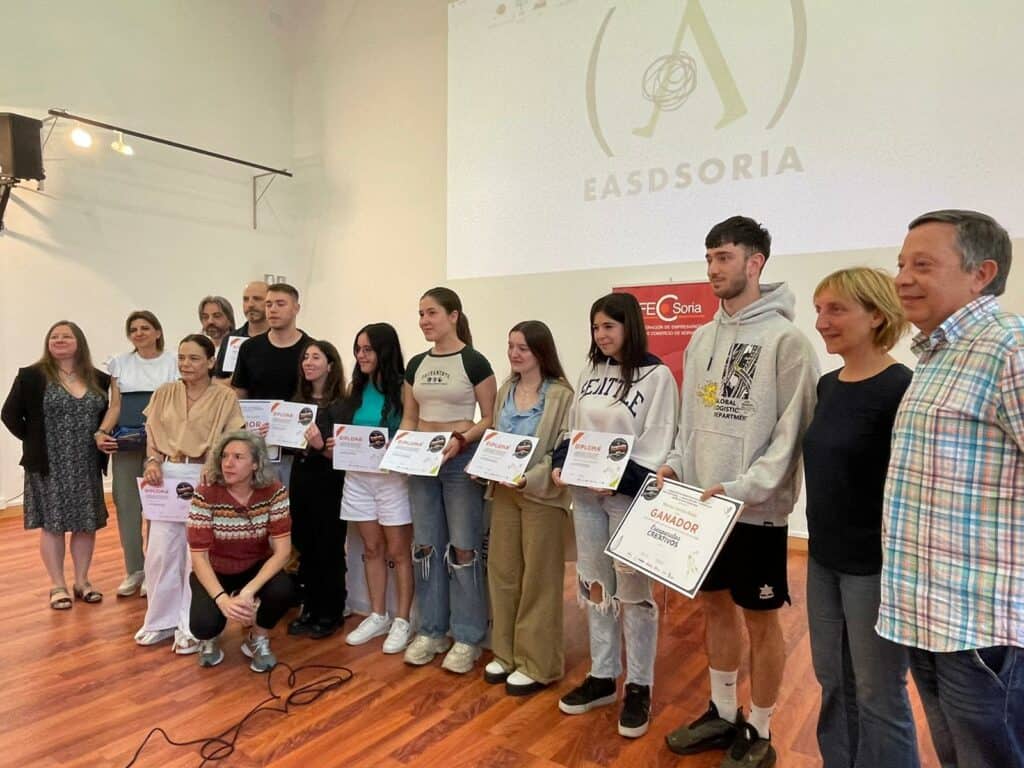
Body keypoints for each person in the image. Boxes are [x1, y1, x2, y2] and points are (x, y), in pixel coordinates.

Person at [659, 216, 818, 768]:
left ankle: (761, 728)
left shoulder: (787, 341)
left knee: (760, 619)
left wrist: (744, 488)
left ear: (755, 263)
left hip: (755, 511)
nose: (712, 269)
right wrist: (676, 464)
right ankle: (723, 712)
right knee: (715, 608)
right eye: (708, 258)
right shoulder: (702, 337)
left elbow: (791, 434)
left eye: (723, 257)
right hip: (703, 508)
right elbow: (690, 422)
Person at [878, 210, 1023, 768]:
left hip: (983, 627)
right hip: (930, 615)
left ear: (981, 273)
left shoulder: (1008, 348)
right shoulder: (938, 354)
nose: (902, 279)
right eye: (901, 264)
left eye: (923, 265)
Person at [802, 268, 918, 768]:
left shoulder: (902, 388)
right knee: (832, 680)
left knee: (879, 694)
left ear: (876, 315)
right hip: (822, 560)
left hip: (876, 567)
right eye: (819, 310)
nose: (822, 322)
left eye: (836, 309)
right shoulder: (828, 386)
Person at [552, 293, 679, 738]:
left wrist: (620, 480)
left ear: (630, 326)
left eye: (609, 326)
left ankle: (639, 686)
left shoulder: (657, 376)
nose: (601, 335)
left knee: (633, 592)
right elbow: (574, 428)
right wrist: (561, 461)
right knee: (595, 585)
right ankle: (603, 675)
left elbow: (660, 439)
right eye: (595, 327)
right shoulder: (591, 371)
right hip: (586, 496)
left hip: (627, 497)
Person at [401, 287, 496, 673]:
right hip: (422, 463)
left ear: (453, 316)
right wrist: (401, 446)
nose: (424, 320)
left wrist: (463, 439)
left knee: (463, 547)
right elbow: (410, 416)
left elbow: (489, 417)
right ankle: (432, 630)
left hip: (460, 461)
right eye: (421, 313)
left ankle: (468, 636)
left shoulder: (474, 361)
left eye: (432, 313)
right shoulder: (415, 364)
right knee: (425, 546)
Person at [135, 334, 244, 652]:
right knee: (160, 553)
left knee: (196, 556)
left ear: (210, 361)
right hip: (166, 476)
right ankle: (159, 621)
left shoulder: (225, 397)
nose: (186, 364)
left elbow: (232, 439)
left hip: (205, 476)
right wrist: (152, 461)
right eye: (181, 357)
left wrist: (215, 466)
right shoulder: (164, 392)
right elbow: (152, 436)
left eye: (194, 358)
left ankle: (190, 626)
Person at [483, 320, 573, 695]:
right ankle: (505, 654)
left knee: (539, 578)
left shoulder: (562, 395)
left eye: (522, 347)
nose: (514, 354)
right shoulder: (506, 390)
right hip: (504, 493)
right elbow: (494, 438)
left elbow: (563, 450)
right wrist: (485, 466)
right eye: (510, 346)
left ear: (540, 351)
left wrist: (529, 479)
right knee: (503, 573)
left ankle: (537, 663)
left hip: (541, 496)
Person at [2, 321, 111, 610]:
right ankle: (58, 585)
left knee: (85, 525)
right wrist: (33, 440)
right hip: (48, 464)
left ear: (80, 342)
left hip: (86, 463)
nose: (59, 340)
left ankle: (82, 581)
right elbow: (9, 415)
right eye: (54, 337)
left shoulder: (99, 379)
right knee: (53, 526)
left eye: (66, 336)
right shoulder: (31, 376)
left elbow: (107, 417)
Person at [188, 431, 294, 672]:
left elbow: (283, 552)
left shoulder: (274, 491)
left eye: (238, 457)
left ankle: (258, 637)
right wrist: (223, 600)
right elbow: (198, 557)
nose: (228, 463)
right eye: (224, 456)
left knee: (284, 590)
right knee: (203, 626)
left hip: (255, 565)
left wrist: (248, 593)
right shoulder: (206, 492)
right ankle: (210, 638)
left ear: (256, 464)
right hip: (216, 568)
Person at [339, 323, 415, 654]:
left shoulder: (403, 388)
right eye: (358, 349)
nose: (361, 355)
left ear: (384, 350)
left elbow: (411, 430)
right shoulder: (355, 387)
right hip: (357, 479)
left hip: (392, 479)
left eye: (368, 349)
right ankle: (378, 614)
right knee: (371, 548)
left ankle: (403, 620)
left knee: (398, 552)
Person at [94, 311, 179, 597]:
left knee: (157, 507)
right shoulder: (120, 363)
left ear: (158, 332)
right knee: (127, 506)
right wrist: (101, 432)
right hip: (126, 444)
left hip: (162, 443)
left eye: (145, 328)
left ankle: (155, 571)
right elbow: (115, 406)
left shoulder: (173, 362)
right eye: (133, 329)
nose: (139, 333)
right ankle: (134, 569)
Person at [284, 340, 348, 639]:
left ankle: (331, 611)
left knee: (328, 546)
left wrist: (321, 446)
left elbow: (342, 452)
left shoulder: (342, 405)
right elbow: (289, 443)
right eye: (305, 358)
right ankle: (309, 607)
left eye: (316, 357)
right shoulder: (297, 402)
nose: (308, 362)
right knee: (304, 543)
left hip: (329, 481)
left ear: (330, 365)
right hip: (301, 477)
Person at [231, 282, 310, 484]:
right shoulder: (249, 348)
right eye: (268, 304)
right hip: (258, 449)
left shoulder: (310, 349)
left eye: (280, 304)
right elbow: (240, 396)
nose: (272, 309)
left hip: (298, 450)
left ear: (296, 308)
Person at [214, 280, 269, 381]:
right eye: (246, 299)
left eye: (257, 299)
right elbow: (218, 378)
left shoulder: (280, 339)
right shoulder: (230, 339)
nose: (250, 304)